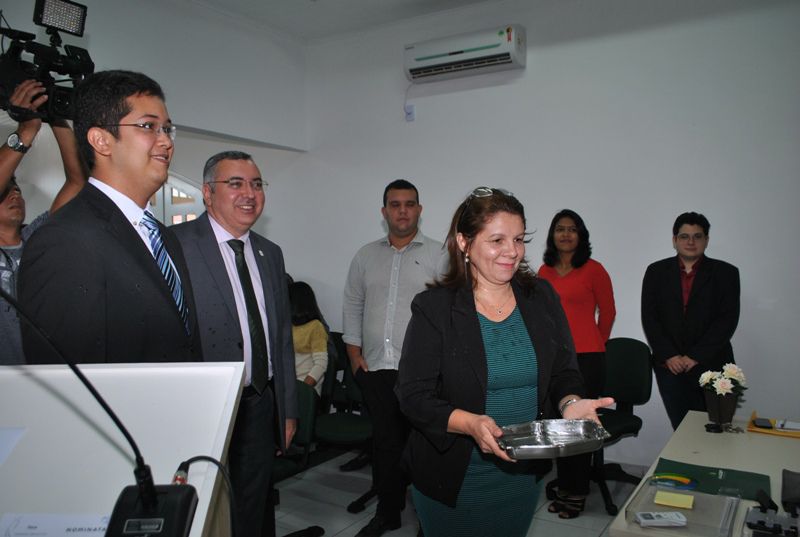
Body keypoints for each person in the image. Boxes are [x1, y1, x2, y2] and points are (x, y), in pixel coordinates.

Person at [396, 187, 614, 537]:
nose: (512, 252)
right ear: (465, 243)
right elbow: (413, 395)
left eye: (518, 239)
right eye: (497, 240)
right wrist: (469, 423)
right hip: (454, 478)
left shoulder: (540, 296)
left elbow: (562, 369)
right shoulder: (435, 307)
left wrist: (570, 403)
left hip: (521, 476)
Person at [18, 70, 202, 364]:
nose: (166, 141)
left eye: (167, 129)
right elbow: (69, 380)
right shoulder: (64, 241)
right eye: (148, 126)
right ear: (101, 141)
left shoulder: (164, 237)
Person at [171, 150, 297, 537]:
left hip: (259, 401)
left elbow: (281, 339)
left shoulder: (269, 253)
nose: (250, 193)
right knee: (206, 508)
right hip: (204, 406)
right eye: (236, 183)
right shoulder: (175, 245)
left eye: (257, 184)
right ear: (208, 193)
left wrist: (287, 408)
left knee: (253, 502)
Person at [342, 179, 444, 537]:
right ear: (384, 212)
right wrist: (353, 354)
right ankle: (388, 514)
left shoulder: (439, 255)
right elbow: (353, 304)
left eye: (409, 204)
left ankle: (428, 520)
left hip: (423, 374)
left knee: (424, 448)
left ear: (419, 209)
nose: (402, 210)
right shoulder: (365, 256)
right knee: (385, 446)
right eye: (395, 204)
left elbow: (451, 312)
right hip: (376, 368)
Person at [1, 80, 87, 365]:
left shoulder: (38, 237)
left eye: (18, 189)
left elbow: (77, 182)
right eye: (5, 190)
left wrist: (56, 116)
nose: (15, 193)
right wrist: (26, 131)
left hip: (49, 378)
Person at [537, 209, 616, 518]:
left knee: (579, 429)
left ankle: (578, 491)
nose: (566, 234)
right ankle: (567, 485)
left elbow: (608, 313)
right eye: (560, 229)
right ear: (552, 235)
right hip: (554, 360)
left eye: (572, 229)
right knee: (558, 428)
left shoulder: (594, 270)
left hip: (588, 358)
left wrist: (596, 342)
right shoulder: (544, 272)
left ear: (581, 236)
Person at [642, 212, 740, 429]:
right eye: (684, 236)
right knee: (682, 429)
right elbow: (650, 318)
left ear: (706, 240)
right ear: (674, 240)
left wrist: (695, 356)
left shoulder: (726, 273)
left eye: (697, 236)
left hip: (712, 364)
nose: (691, 242)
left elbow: (727, 320)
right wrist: (669, 355)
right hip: (670, 367)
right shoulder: (656, 272)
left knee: (716, 429)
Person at [289, 281, 329, 396]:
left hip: (305, 387)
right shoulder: (288, 325)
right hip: (289, 386)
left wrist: (303, 390)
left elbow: (320, 364)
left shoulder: (315, 327)